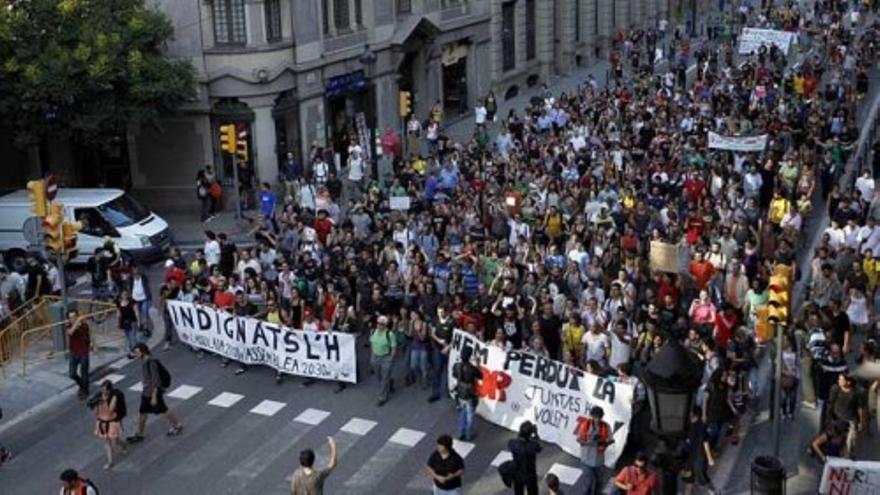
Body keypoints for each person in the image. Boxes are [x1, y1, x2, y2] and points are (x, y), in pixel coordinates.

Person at [126, 343, 183, 443]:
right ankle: (139, 434)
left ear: (143, 352)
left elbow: (156, 380)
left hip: (153, 392)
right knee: (142, 412)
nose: (136, 354)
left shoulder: (151, 362)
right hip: (146, 391)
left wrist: (154, 396)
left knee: (163, 411)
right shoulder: (144, 361)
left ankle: (177, 425)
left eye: (137, 352)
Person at [575, 405, 612, 495]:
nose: (597, 420)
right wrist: (590, 441)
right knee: (589, 482)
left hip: (599, 461)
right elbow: (579, 440)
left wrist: (604, 443)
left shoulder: (606, 426)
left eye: (599, 417)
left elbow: (610, 440)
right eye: (595, 417)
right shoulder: (585, 425)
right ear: (592, 416)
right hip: (586, 461)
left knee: (599, 484)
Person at [92, 380, 127, 469]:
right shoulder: (98, 397)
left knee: (115, 442)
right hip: (102, 422)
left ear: (109, 390)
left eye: (105, 390)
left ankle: (123, 445)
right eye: (102, 390)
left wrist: (103, 401)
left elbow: (111, 409)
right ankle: (110, 461)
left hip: (112, 422)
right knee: (107, 442)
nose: (103, 392)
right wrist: (96, 404)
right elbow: (96, 413)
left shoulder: (114, 396)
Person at [452, 346, 480, 441]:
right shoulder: (472, 368)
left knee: (462, 413)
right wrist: (478, 364)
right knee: (470, 414)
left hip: (460, 391)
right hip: (469, 393)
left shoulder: (456, 366)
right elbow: (480, 375)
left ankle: (461, 432)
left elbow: (454, 374)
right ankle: (469, 434)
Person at [369, 315, 397, 406]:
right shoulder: (373, 332)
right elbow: (372, 343)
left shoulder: (390, 334)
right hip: (376, 356)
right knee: (379, 376)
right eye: (378, 323)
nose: (379, 326)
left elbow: (393, 347)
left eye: (381, 324)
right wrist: (373, 354)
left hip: (385, 357)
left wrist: (391, 358)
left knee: (384, 378)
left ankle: (382, 397)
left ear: (385, 325)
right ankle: (390, 382)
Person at [508, 420, 542, 495]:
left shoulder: (513, 443)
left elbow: (511, 445)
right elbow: (539, 448)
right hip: (530, 474)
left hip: (518, 473)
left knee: (518, 492)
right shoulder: (532, 445)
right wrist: (536, 435)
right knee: (533, 492)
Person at [66, 309, 91, 400]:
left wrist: (79, 322)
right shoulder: (69, 325)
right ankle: (83, 386)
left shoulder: (84, 325)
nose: (72, 319)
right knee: (72, 373)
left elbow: (87, 334)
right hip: (74, 352)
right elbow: (70, 332)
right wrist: (76, 322)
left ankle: (85, 390)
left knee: (84, 373)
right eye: (70, 317)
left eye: (74, 317)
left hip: (83, 351)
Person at [116, 289, 140, 359]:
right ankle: (132, 351)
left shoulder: (132, 301)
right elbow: (118, 313)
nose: (124, 296)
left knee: (132, 337)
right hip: (124, 323)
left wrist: (138, 322)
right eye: (123, 294)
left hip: (132, 321)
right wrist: (118, 322)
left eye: (125, 294)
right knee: (127, 337)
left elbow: (136, 312)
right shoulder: (119, 302)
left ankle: (134, 351)